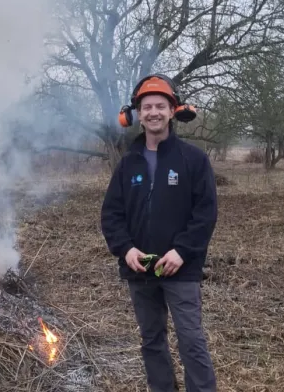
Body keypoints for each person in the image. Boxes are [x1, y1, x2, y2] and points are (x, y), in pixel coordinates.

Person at [101, 74, 218, 391]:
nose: (153, 112)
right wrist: (126, 250)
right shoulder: (128, 164)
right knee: (151, 340)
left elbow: (205, 213)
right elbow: (111, 214)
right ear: (135, 114)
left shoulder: (193, 159)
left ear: (173, 111)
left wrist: (181, 251)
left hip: (181, 268)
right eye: (146, 106)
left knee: (191, 340)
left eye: (160, 106)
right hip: (140, 268)